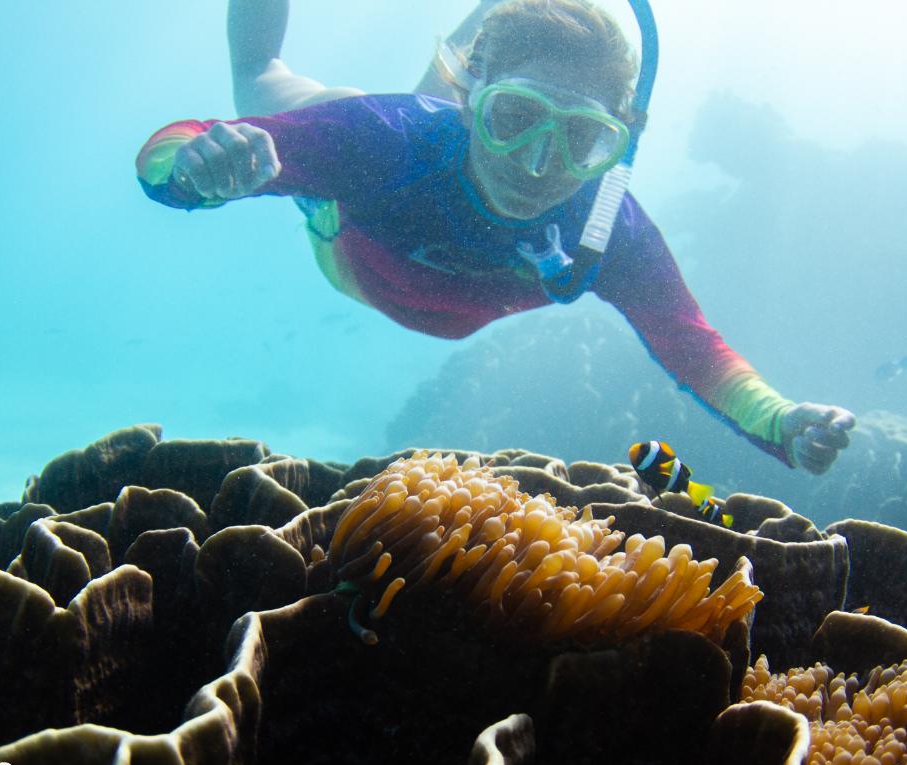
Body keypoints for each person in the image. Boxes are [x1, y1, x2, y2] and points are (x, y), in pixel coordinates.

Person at [137, 0, 856, 474]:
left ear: (620, 144)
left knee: (438, 120)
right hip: (352, 237)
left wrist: (783, 419)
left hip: (432, 150)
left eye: (581, 138)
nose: (539, 167)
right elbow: (172, 149)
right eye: (514, 119)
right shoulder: (378, 140)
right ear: (475, 100)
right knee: (260, 78)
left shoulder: (606, 228)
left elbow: (691, 343)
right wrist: (202, 164)